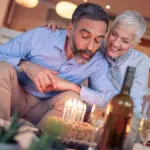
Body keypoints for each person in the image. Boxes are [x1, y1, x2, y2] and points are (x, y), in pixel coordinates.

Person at [45, 10, 150, 149]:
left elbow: (133, 105)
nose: (115, 43)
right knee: (68, 127)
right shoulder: (96, 44)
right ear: (109, 30)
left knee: (120, 138)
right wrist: (57, 32)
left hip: (124, 115)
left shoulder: (141, 61)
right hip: (92, 105)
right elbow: (76, 35)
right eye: (114, 34)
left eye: (125, 41)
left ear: (135, 44)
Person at [0, 3, 116, 126]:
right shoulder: (41, 36)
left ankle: (39, 143)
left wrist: (72, 86)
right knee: (2, 69)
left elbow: (109, 99)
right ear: (70, 30)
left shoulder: (97, 62)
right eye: (85, 37)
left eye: (98, 40)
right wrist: (25, 65)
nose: (91, 47)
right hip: (15, 98)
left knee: (73, 99)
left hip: (45, 110)